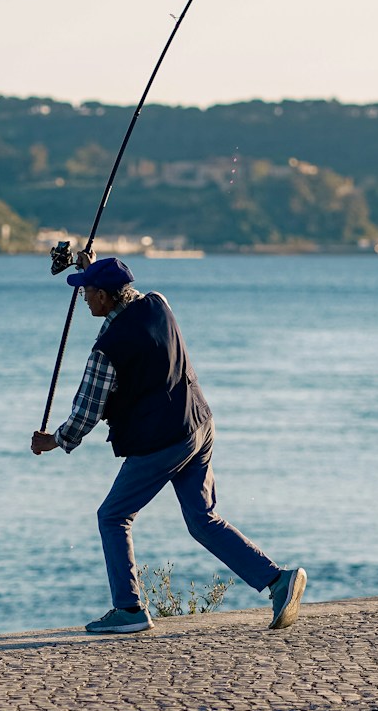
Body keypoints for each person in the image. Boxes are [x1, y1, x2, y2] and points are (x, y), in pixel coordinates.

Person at [31, 255, 307, 635]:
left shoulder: (107, 349)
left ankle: (128, 609)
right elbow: (130, 298)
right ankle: (278, 581)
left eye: (88, 291)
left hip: (163, 440)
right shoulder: (158, 303)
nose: (84, 299)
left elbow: (86, 413)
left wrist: (54, 440)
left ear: (106, 297)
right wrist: (92, 268)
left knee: (112, 516)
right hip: (199, 425)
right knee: (202, 520)